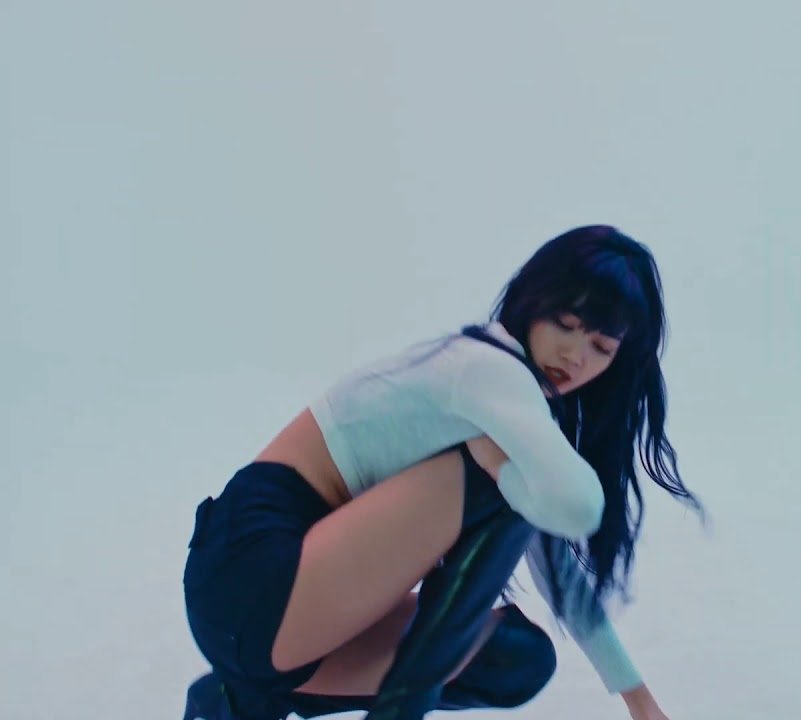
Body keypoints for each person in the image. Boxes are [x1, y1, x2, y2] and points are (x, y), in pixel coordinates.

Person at [181, 225, 704, 720]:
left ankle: (235, 702)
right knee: (501, 488)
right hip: (256, 575)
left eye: (601, 347)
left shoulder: (516, 415)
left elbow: (559, 568)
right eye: (565, 325)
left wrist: (639, 701)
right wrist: (498, 467)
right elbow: (578, 505)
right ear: (532, 303)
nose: (575, 355)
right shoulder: (489, 370)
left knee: (517, 658)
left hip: (272, 620)